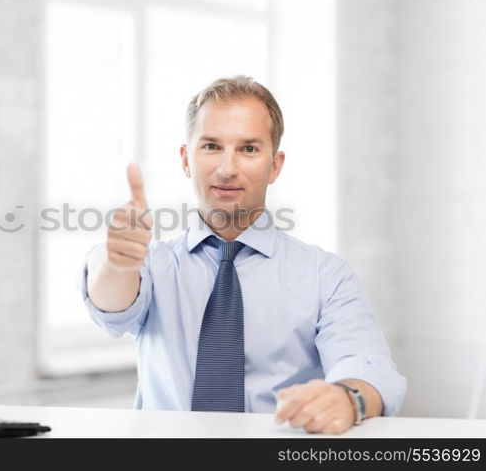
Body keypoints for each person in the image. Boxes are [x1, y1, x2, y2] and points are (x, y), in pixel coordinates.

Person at [77, 75, 406, 434]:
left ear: (275, 165)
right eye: (211, 146)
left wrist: (347, 399)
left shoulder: (325, 274)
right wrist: (115, 262)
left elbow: (366, 364)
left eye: (248, 149)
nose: (228, 168)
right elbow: (110, 304)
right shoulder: (153, 264)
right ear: (187, 159)